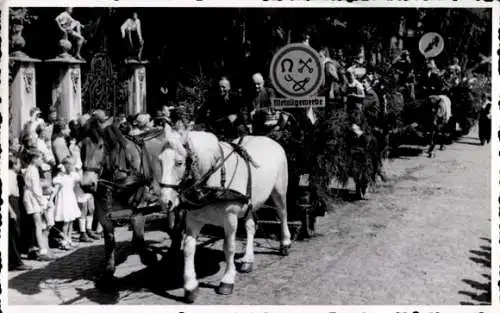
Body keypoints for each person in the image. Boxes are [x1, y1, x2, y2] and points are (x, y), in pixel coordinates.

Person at [22, 149, 55, 261]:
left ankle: (42, 249)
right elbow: (36, 190)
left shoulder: (32, 169)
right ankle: (42, 251)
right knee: (38, 225)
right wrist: (43, 203)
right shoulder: (33, 170)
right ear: (34, 159)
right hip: (33, 199)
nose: (42, 160)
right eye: (40, 158)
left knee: (39, 224)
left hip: (33, 198)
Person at [52, 157, 83, 250]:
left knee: (71, 220)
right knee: (66, 221)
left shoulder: (73, 175)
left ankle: (69, 240)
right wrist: (51, 200)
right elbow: (56, 188)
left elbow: (80, 179)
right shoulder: (60, 176)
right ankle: (64, 241)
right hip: (63, 199)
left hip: (71, 198)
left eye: (71, 165)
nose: (70, 167)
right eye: (68, 165)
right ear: (65, 166)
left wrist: (77, 170)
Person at [9, 154, 33, 271]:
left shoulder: (14, 174)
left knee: (16, 232)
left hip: (15, 201)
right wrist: (11, 211)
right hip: (11, 202)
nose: (20, 166)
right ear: (13, 165)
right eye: (18, 164)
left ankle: (15, 260)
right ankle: (16, 262)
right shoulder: (9, 176)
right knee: (14, 233)